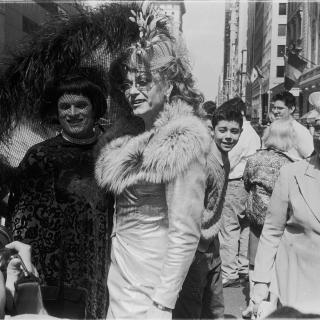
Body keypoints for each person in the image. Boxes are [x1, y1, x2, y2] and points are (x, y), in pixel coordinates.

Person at [95, 6, 210, 319]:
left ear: (169, 84)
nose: (133, 91)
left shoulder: (182, 142)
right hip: (120, 271)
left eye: (143, 81)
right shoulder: (125, 141)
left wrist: (163, 304)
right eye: (128, 83)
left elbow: (185, 232)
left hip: (154, 277)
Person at [8, 74, 111, 319]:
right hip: (58, 285)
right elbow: (24, 224)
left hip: (110, 273)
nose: (72, 113)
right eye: (65, 106)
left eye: (81, 105)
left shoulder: (113, 150)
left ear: (95, 108)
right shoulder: (41, 156)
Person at [173, 100, 243, 319]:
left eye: (234, 131)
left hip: (212, 245)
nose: (228, 136)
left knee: (214, 308)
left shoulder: (224, 158)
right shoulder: (202, 161)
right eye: (223, 130)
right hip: (195, 249)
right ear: (213, 130)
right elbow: (187, 208)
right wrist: (197, 246)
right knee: (191, 309)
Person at [250, 107, 320, 316]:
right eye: (319, 129)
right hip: (297, 288)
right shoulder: (292, 174)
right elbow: (272, 231)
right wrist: (261, 283)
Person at [241, 119, 295, 318]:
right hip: (280, 221)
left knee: (255, 262)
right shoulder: (291, 165)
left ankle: (254, 305)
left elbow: (246, 183)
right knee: (276, 263)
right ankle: (272, 306)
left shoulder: (254, 159)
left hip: (256, 218)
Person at [219, 98, 261, 287]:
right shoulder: (252, 132)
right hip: (248, 184)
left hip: (235, 182)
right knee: (244, 226)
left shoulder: (241, 132)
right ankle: (243, 267)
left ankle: (229, 272)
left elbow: (229, 161)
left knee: (228, 228)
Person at [270, 91, 313, 159]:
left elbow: (311, 158)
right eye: (274, 108)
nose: (275, 111)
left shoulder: (299, 130)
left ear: (291, 109)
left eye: (280, 108)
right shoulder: (272, 128)